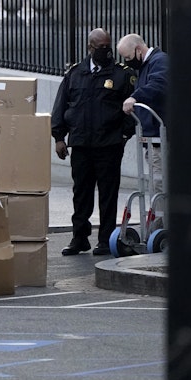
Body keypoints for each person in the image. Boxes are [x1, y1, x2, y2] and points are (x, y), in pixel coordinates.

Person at [51, 28, 136, 256]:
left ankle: (105, 239)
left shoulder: (121, 74)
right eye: (101, 47)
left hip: (108, 144)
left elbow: (132, 108)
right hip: (80, 144)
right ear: (90, 47)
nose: (106, 51)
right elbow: (61, 106)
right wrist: (59, 137)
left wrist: (124, 136)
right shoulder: (75, 74)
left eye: (109, 46)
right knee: (81, 193)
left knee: (108, 194)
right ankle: (80, 238)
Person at [117, 33, 169, 214]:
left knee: (159, 184)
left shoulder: (159, 61)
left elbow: (159, 85)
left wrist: (134, 97)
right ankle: (161, 224)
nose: (127, 62)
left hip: (160, 136)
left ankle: (162, 226)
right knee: (156, 183)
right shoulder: (147, 66)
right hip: (153, 136)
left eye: (128, 57)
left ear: (139, 50)